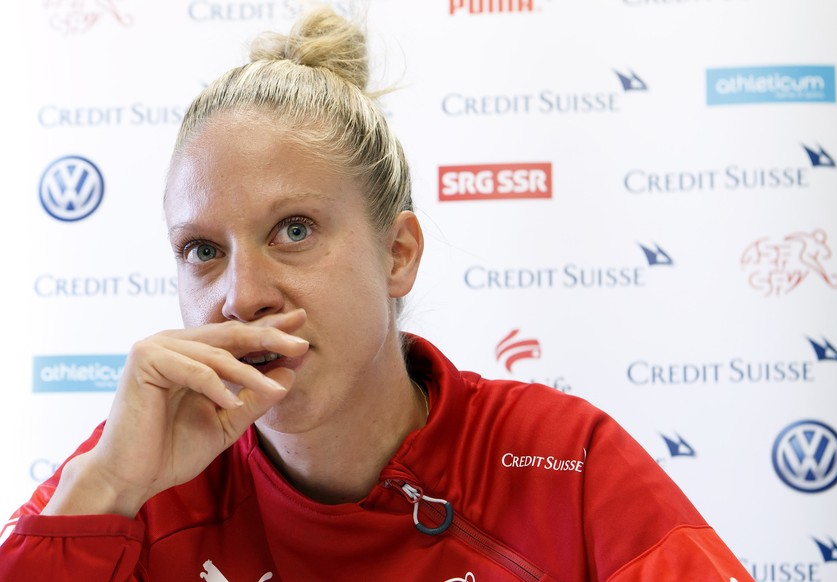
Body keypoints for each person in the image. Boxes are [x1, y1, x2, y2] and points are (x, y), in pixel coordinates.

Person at [0, 7, 753, 581]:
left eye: (294, 230)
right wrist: (104, 487)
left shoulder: (561, 458)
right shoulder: (126, 478)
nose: (242, 296)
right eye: (203, 250)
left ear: (398, 255)